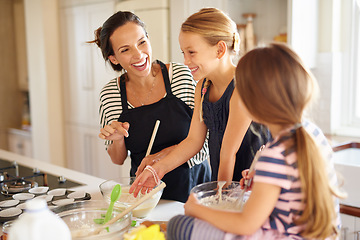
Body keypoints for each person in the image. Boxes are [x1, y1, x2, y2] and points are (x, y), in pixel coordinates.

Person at [166, 42, 345, 240]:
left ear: (254, 101)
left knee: (178, 224)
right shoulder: (312, 134)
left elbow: (246, 224)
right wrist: (260, 181)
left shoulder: (275, 154)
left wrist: (195, 209)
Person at [130, 8, 270, 197]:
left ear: (219, 49)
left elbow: (228, 154)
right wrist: (158, 169)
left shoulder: (243, 86)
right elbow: (193, 141)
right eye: (183, 52)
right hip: (226, 181)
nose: (186, 61)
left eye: (192, 52)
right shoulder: (203, 87)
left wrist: (221, 200)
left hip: (256, 187)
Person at [93, 11, 211, 203]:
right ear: (114, 58)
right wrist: (117, 139)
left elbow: (204, 143)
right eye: (125, 50)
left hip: (193, 187)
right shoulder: (111, 94)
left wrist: (159, 158)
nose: (139, 54)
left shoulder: (180, 76)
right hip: (145, 193)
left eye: (141, 42)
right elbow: (117, 159)